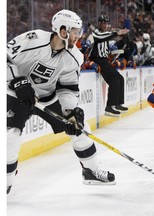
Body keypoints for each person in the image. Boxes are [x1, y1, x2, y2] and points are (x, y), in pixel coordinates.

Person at [6, 9, 116, 194]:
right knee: (10, 136)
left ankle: (91, 171)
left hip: (47, 97)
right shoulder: (33, 39)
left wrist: (70, 111)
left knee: (81, 129)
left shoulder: (75, 56)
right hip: (15, 94)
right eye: (75, 32)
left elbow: (68, 88)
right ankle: (6, 182)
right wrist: (17, 79)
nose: (78, 36)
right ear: (62, 31)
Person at [88, 15, 130, 117]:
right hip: (98, 60)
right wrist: (117, 32)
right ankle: (109, 107)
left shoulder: (106, 35)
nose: (105, 25)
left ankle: (118, 103)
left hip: (105, 60)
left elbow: (108, 42)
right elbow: (103, 36)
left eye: (106, 23)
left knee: (120, 78)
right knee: (114, 81)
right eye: (103, 23)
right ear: (99, 23)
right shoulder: (96, 33)